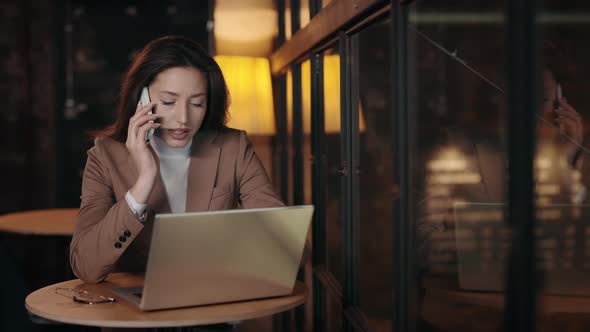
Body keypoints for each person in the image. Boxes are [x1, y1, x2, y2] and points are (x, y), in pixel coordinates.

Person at [70, 36, 284, 284]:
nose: (183, 118)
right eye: (169, 102)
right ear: (142, 98)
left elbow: (288, 248)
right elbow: (85, 266)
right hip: (131, 314)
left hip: (209, 306)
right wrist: (142, 185)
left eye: (197, 103)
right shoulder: (104, 156)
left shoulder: (233, 148)